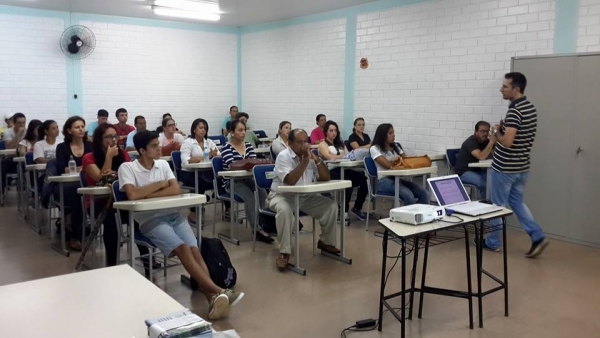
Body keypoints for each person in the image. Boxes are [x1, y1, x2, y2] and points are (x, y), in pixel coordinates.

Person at [119, 130, 243, 320]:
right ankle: (219, 290)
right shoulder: (127, 168)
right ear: (142, 150)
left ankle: (212, 297)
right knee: (184, 249)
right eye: (153, 146)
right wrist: (161, 185)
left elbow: (175, 189)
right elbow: (133, 195)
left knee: (195, 249)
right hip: (151, 220)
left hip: (174, 216)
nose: (159, 148)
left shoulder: (162, 164)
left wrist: (148, 192)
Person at [481, 72, 549, 258]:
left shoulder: (515, 110)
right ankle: (537, 236)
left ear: (516, 89)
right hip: (521, 166)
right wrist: (504, 128)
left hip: (505, 169)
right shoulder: (529, 107)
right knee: (517, 203)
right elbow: (519, 136)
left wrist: (496, 134)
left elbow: (508, 141)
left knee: (498, 206)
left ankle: (492, 242)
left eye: (505, 86)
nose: (501, 89)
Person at [268, 128, 340, 270]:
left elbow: (325, 178)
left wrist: (317, 160)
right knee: (284, 210)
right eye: (299, 142)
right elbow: (290, 180)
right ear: (289, 143)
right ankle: (285, 253)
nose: (304, 145)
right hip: (282, 196)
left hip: (304, 197)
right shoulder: (283, 156)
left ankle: (326, 242)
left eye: (305, 142)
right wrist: (305, 160)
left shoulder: (309, 155)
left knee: (331, 206)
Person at [82, 123, 131, 266]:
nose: (113, 140)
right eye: (108, 137)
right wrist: (109, 157)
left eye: (115, 136)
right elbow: (101, 179)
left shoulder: (124, 155)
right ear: (99, 139)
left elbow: (130, 175)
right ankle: (112, 264)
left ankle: (147, 261)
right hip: (98, 203)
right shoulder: (89, 158)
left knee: (138, 216)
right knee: (111, 221)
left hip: (120, 200)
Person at [221, 120, 273, 243]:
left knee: (262, 193)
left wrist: (245, 164)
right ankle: (256, 229)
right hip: (232, 182)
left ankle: (263, 222)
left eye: (244, 130)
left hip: (248, 179)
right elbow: (231, 165)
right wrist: (246, 164)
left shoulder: (248, 145)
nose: (243, 133)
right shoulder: (226, 147)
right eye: (240, 130)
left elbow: (253, 163)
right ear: (232, 133)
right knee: (249, 196)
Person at [55, 116, 93, 250]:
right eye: (77, 127)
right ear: (69, 130)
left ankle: (90, 227)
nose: (81, 129)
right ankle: (75, 237)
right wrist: (85, 167)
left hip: (86, 182)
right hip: (67, 185)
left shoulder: (90, 145)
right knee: (78, 193)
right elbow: (61, 168)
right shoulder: (62, 147)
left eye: (82, 126)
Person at [318, 120, 368, 221]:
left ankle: (357, 207)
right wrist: (342, 156)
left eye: (335, 130)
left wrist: (341, 156)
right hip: (330, 171)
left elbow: (349, 156)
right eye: (331, 130)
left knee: (363, 179)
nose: (334, 133)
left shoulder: (341, 144)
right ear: (326, 132)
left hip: (344, 168)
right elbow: (330, 157)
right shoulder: (323, 144)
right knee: (347, 183)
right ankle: (343, 211)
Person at [369, 123, 430, 205]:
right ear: (382, 135)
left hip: (399, 179)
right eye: (390, 133)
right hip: (384, 181)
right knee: (409, 196)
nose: (393, 135)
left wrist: (399, 161)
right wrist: (397, 161)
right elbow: (389, 166)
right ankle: (407, 216)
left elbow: (405, 161)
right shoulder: (375, 148)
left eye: (393, 133)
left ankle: (420, 215)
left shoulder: (396, 146)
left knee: (425, 194)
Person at [180, 118, 220, 223]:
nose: (203, 130)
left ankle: (228, 209)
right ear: (194, 129)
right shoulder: (187, 142)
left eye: (205, 128)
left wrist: (214, 155)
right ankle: (193, 213)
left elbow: (218, 155)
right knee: (199, 183)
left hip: (205, 172)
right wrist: (204, 157)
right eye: (201, 128)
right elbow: (185, 160)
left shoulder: (209, 142)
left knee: (221, 180)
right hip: (188, 173)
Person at [455, 121, 496, 198]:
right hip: (464, 172)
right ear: (475, 131)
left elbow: (494, 155)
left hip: (477, 170)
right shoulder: (470, 142)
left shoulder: (486, 141)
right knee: (483, 184)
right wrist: (491, 143)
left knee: (495, 179)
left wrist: (494, 142)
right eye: (482, 131)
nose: (485, 134)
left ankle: (494, 204)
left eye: (487, 131)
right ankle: (484, 205)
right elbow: (481, 156)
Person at [1, 113, 26, 193]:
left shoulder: (27, 132)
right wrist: (18, 134)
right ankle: (2, 192)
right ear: (14, 123)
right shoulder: (8, 132)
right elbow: (10, 147)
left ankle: (34, 193)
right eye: (19, 123)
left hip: (24, 159)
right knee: (2, 165)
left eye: (24, 122)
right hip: (11, 158)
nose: (22, 125)